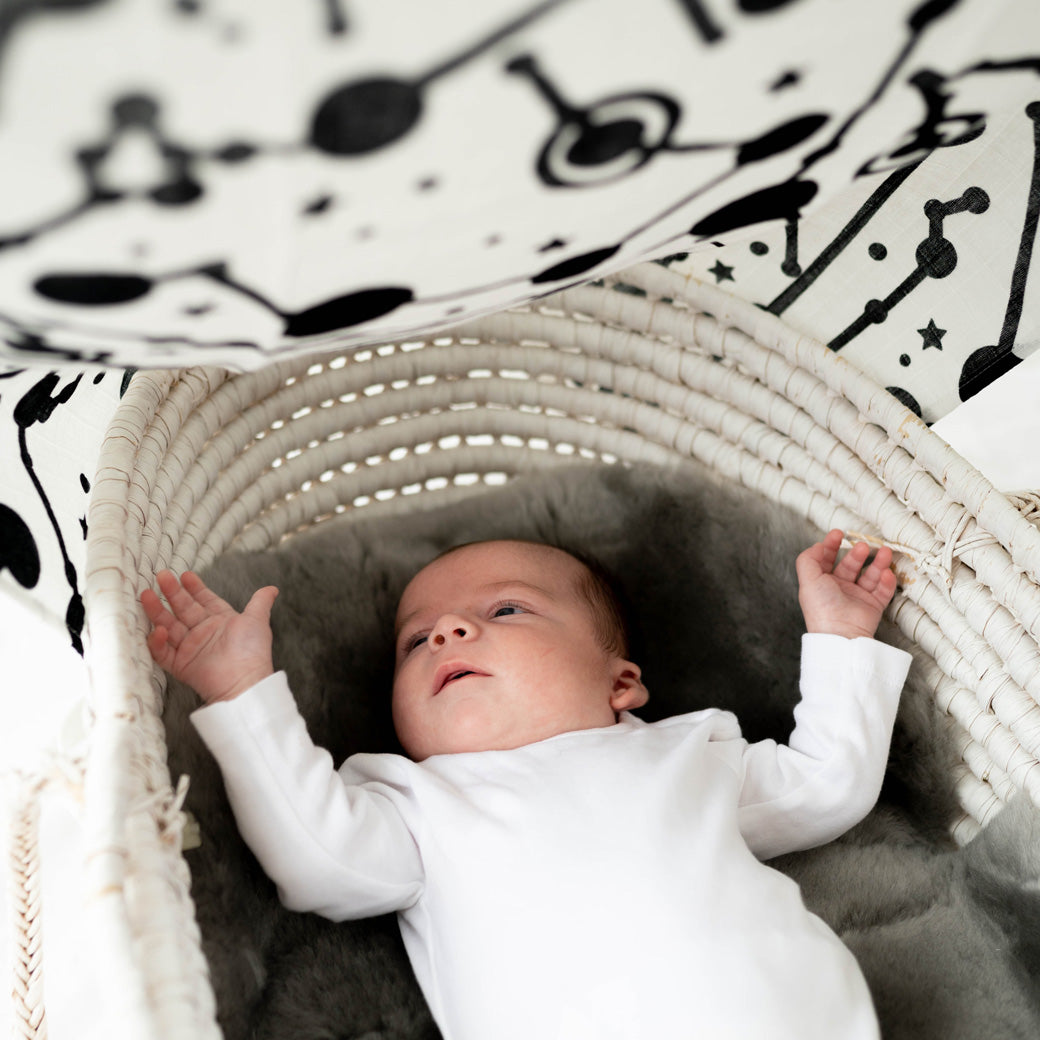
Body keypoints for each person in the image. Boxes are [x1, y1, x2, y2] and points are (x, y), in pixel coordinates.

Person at [141, 531, 911, 1040]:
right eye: (417, 640)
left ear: (622, 682)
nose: (446, 633)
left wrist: (840, 637)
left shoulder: (690, 753)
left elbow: (826, 784)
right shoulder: (417, 805)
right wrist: (243, 690)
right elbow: (318, 860)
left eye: (505, 608)